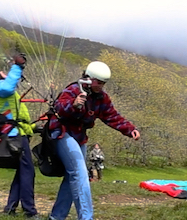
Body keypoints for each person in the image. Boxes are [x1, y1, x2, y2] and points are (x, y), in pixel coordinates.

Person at [47, 61, 139, 220]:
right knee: (79, 173)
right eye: (99, 82)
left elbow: (111, 116)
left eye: (103, 83)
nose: (101, 86)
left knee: (72, 176)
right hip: (62, 132)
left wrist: (129, 129)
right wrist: (74, 104)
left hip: (79, 136)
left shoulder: (101, 98)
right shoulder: (73, 90)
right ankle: (86, 217)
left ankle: (56, 217)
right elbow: (59, 107)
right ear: (88, 78)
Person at [0, 53, 38, 218]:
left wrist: (33, 127)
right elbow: (8, 86)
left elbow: (14, 117)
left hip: (16, 134)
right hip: (15, 138)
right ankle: (30, 212)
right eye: (0, 72)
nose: (4, 72)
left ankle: (10, 208)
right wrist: (17, 67)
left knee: (22, 172)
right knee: (28, 172)